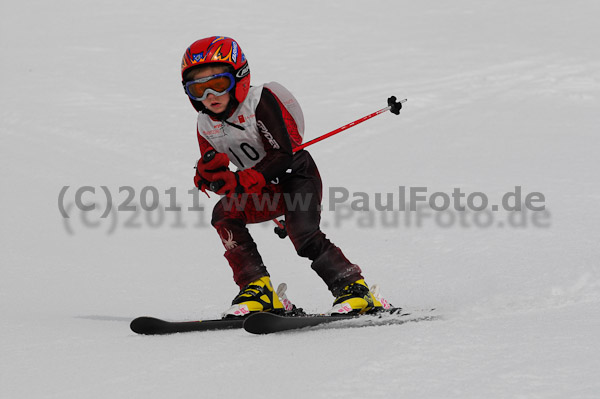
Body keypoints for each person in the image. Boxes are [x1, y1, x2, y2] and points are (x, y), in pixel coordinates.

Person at [181, 36, 386, 317]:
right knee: (224, 214)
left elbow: (282, 155)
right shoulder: (205, 123)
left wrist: (240, 180)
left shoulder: (259, 101)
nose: (209, 97)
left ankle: (355, 290)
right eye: (198, 89)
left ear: (239, 78)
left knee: (302, 234)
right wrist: (208, 177)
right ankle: (258, 289)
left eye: (218, 85)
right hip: (261, 189)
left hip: (297, 177)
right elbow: (215, 171)